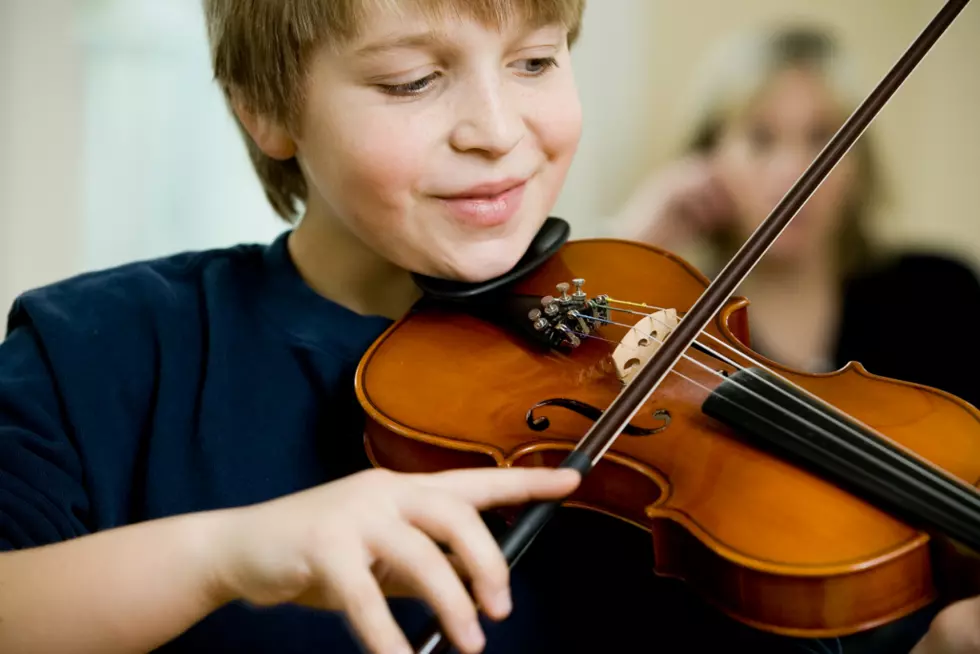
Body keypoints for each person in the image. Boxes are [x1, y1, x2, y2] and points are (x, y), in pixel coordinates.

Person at [0, 3, 978, 653]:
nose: (498, 130)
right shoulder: (106, 348)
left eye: (535, 60)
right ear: (266, 107)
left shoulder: (641, 345)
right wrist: (226, 555)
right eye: (413, 81)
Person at [614, 25, 980, 410]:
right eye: (761, 138)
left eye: (821, 136)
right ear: (708, 160)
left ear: (856, 163)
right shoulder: (677, 330)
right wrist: (635, 240)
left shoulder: (941, 294)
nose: (794, 170)